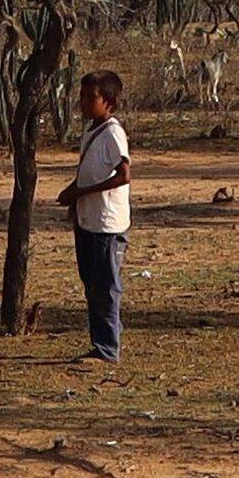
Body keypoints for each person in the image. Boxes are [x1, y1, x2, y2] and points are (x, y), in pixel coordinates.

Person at [58, 69, 133, 363]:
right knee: (92, 283)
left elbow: (123, 175)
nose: (84, 102)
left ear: (110, 103)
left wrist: (82, 193)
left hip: (107, 223)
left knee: (105, 286)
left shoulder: (113, 133)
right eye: (82, 96)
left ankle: (107, 348)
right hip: (88, 219)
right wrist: (74, 194)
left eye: (92, 97)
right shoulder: (91, 131)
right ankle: (102, 340)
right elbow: (90, 172)